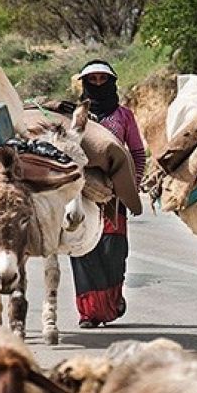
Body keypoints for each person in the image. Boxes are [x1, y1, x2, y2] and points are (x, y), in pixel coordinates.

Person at [70, 59, 146, 327]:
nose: (98, 84)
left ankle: (112, 304)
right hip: (81, 193)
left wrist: (132, 183)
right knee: (82, 250)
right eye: (93, 80)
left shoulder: (124, 116)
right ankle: (89, 312)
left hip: (114, 196)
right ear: (85, 83)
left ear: (112, 82)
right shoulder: (75, 114)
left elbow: (136, 151)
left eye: (103, 79)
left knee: (113, 252)